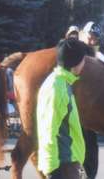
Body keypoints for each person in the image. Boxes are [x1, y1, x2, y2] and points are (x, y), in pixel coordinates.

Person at [37, 38, 87, 179]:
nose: (84, 63)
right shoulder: (58, 88)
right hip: (63, 165)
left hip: (67, 161)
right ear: (75, 64)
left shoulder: (61, 82)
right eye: (83, 60)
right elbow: (49, 128)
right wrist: (52, 169)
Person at [66, 23, 100, 179]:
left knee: (90, 146)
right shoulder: (77, 53)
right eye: (90, 37)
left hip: (86, 110)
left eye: (95, 38)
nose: (93, 41)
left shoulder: (91, 52)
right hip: (76, 109)